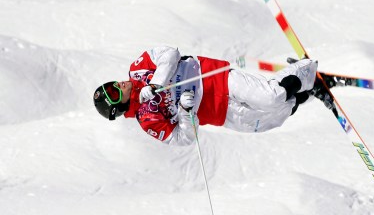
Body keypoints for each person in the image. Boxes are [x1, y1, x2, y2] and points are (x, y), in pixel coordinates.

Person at [93, 46, 324, 146]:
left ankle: (306, 70)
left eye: (111, 84)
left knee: (270, 97)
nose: (118, 84)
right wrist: (185, 113)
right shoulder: (147, 120)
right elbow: (183, 139)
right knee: (267, 121)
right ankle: (306, 93)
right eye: (113, 92)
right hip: (217, 112)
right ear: (119, 106)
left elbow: (170, 53)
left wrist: (155, 83)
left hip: (212, 78)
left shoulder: (138, 69)